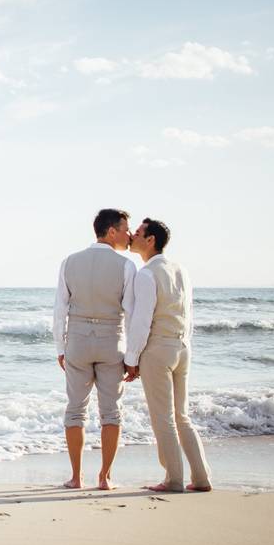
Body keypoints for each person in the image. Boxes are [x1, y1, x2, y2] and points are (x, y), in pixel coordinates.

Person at [125, 218, 211, 492]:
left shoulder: (146, 274)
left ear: (150, 240)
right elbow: (189, 314)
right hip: (182, 347)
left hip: (158, 350)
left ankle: (173, 479)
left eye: (137, 233)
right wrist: (184, 343)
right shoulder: (181, 270)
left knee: (162, 418)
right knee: (181, 416)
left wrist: (132, 359)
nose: (132, 236)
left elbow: (141, 321)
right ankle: (201, 478)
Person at [53, 209, 135, 490]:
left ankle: (76, 477)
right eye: (125, 229)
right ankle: (105, 477)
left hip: (77, 339)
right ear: (111, 231)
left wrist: (60, 347)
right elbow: (132, 313)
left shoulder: (69, 262)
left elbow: (59, 309)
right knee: (111, 412)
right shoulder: (126, 266)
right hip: (112, 340)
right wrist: (133, 356)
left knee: (75, 410)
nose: (129, 234)